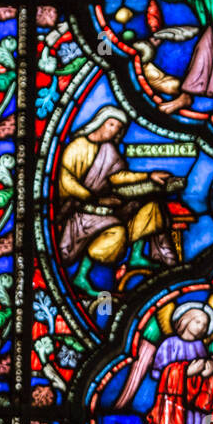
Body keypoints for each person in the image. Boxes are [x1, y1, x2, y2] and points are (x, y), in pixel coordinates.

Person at [57, 105, 175, 293]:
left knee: (150, 207)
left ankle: (136, 255)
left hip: (106, 208)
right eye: (111, 124)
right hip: (83, 213)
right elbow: (66, 180)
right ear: (99, 122)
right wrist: (94, 199)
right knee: (116, 233)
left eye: (118, 128)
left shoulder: (109, 149)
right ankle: (82, 275)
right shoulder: (77, 147)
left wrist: (148, 176)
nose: (113, 130)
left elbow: (118, 176)